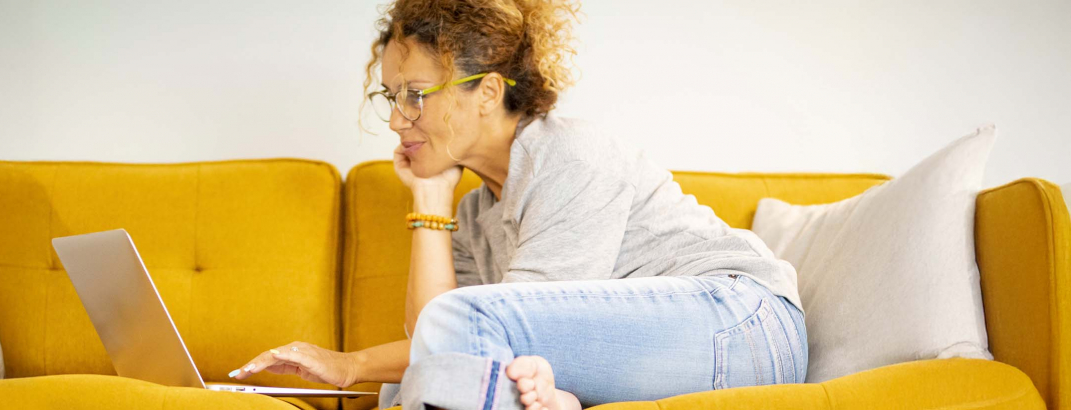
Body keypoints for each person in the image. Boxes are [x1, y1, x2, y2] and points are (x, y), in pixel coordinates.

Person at [233, 1, 807, 409]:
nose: (394, 119)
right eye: (391, 96)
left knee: (438, 346)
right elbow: (439, 343)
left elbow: (481, 327)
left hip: (741, 323)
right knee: (405, 381)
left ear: (486, 92)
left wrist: (349, 364)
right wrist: (432, 198)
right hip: (650, 350)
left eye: (415, 94)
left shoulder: (570, 154)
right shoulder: (477, 215)